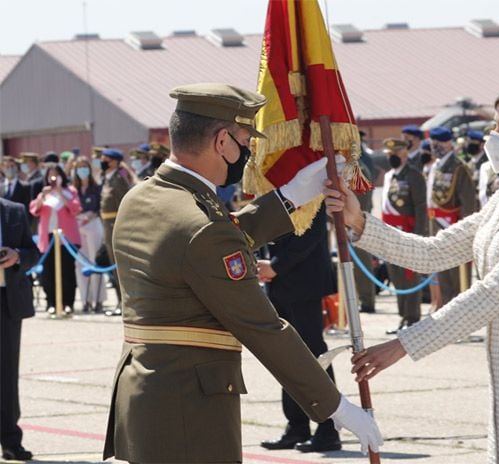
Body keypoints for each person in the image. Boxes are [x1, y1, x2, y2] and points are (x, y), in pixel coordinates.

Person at [102, 83, 382, 464]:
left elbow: (211, 241)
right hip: (191, 411)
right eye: (245, 140)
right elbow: (263, 327)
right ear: (222, 141)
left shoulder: (143, 197)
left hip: (147, 396)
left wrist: (290, 196)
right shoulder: (200, 224)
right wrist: (337, 407)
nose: (247, 152)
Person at [327, 78, 499, 463]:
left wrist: (402, 344)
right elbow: (433, 253)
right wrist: (360, 222)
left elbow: (494, 293)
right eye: (494, 126)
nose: (493, 137)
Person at [258, 204, 341, 452]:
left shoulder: (305, 179)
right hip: (281, 281)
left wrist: (276, 265)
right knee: (286, 356)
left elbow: (309, 235)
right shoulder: (274, 184)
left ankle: (328, 428)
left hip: (304, 281)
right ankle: (297, 426)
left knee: (313, 355)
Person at [0, 197, 40, 462]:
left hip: (7, 302)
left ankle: (10, 441)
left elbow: (32, 252)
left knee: (6, 374)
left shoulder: (14, 211)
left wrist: (17, 257)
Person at [380, 138, 427, 334]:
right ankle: (402, 316)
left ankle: (413, 318)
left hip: (408, 232)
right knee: (396, 276)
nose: (392, 158)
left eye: (396, 155)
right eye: (389, 155)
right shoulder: (389, 176)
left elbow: (420, 207)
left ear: (405, 154)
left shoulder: (414, 176)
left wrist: (417, 236)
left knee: (410, 277)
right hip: (391, 233)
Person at [426, 126, 477, 304]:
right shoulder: (436, 167)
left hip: (452, 225)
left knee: (457, 275)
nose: (434, 147)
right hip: (436, 224)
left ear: (448, 143)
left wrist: (465, 231)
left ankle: (461, 315)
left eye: (438, 143)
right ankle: (446, 309)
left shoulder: (458, 167)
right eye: (433, 144)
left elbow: (468, 202)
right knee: (443, 273)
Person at [29, 164, 82, 315]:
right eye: (50, 175)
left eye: (55, 175)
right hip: (48, 238)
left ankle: (68, 303)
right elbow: (34, 210)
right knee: (48, 273)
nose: (52, 178)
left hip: (66, 238)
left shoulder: (70, 191)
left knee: (67, 271)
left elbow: (76, 208)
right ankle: (51, 302)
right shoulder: (43, 193)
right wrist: (42, 197)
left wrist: (60, 192)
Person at [99, 148, 132, 316]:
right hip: (106, 225)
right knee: (113, 268)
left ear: (114, 161)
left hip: (115, 226)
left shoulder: (119, 180)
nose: (102, 161)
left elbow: (125, 206)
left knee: (119, 267)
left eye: (105, 159)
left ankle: (125, 303)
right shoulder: (107, 178)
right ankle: (120, 301)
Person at [73, 156, 106, 313]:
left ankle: (98, 300)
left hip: (93, 224)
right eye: (79, 168)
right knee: (80, 264)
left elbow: (101, 206)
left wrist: (91, 215)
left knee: (95, 262)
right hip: (77, 225)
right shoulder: (74, 189)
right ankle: (85, 300)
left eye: (84, 167)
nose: (82, 171)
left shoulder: (97, 187)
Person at [354, 130, 377, 313]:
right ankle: (360, 299)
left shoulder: (359, 168)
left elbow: (363, 198)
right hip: (351, 221)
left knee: (362, 263)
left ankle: (367, 300)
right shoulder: (353, 166)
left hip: (358, 221)